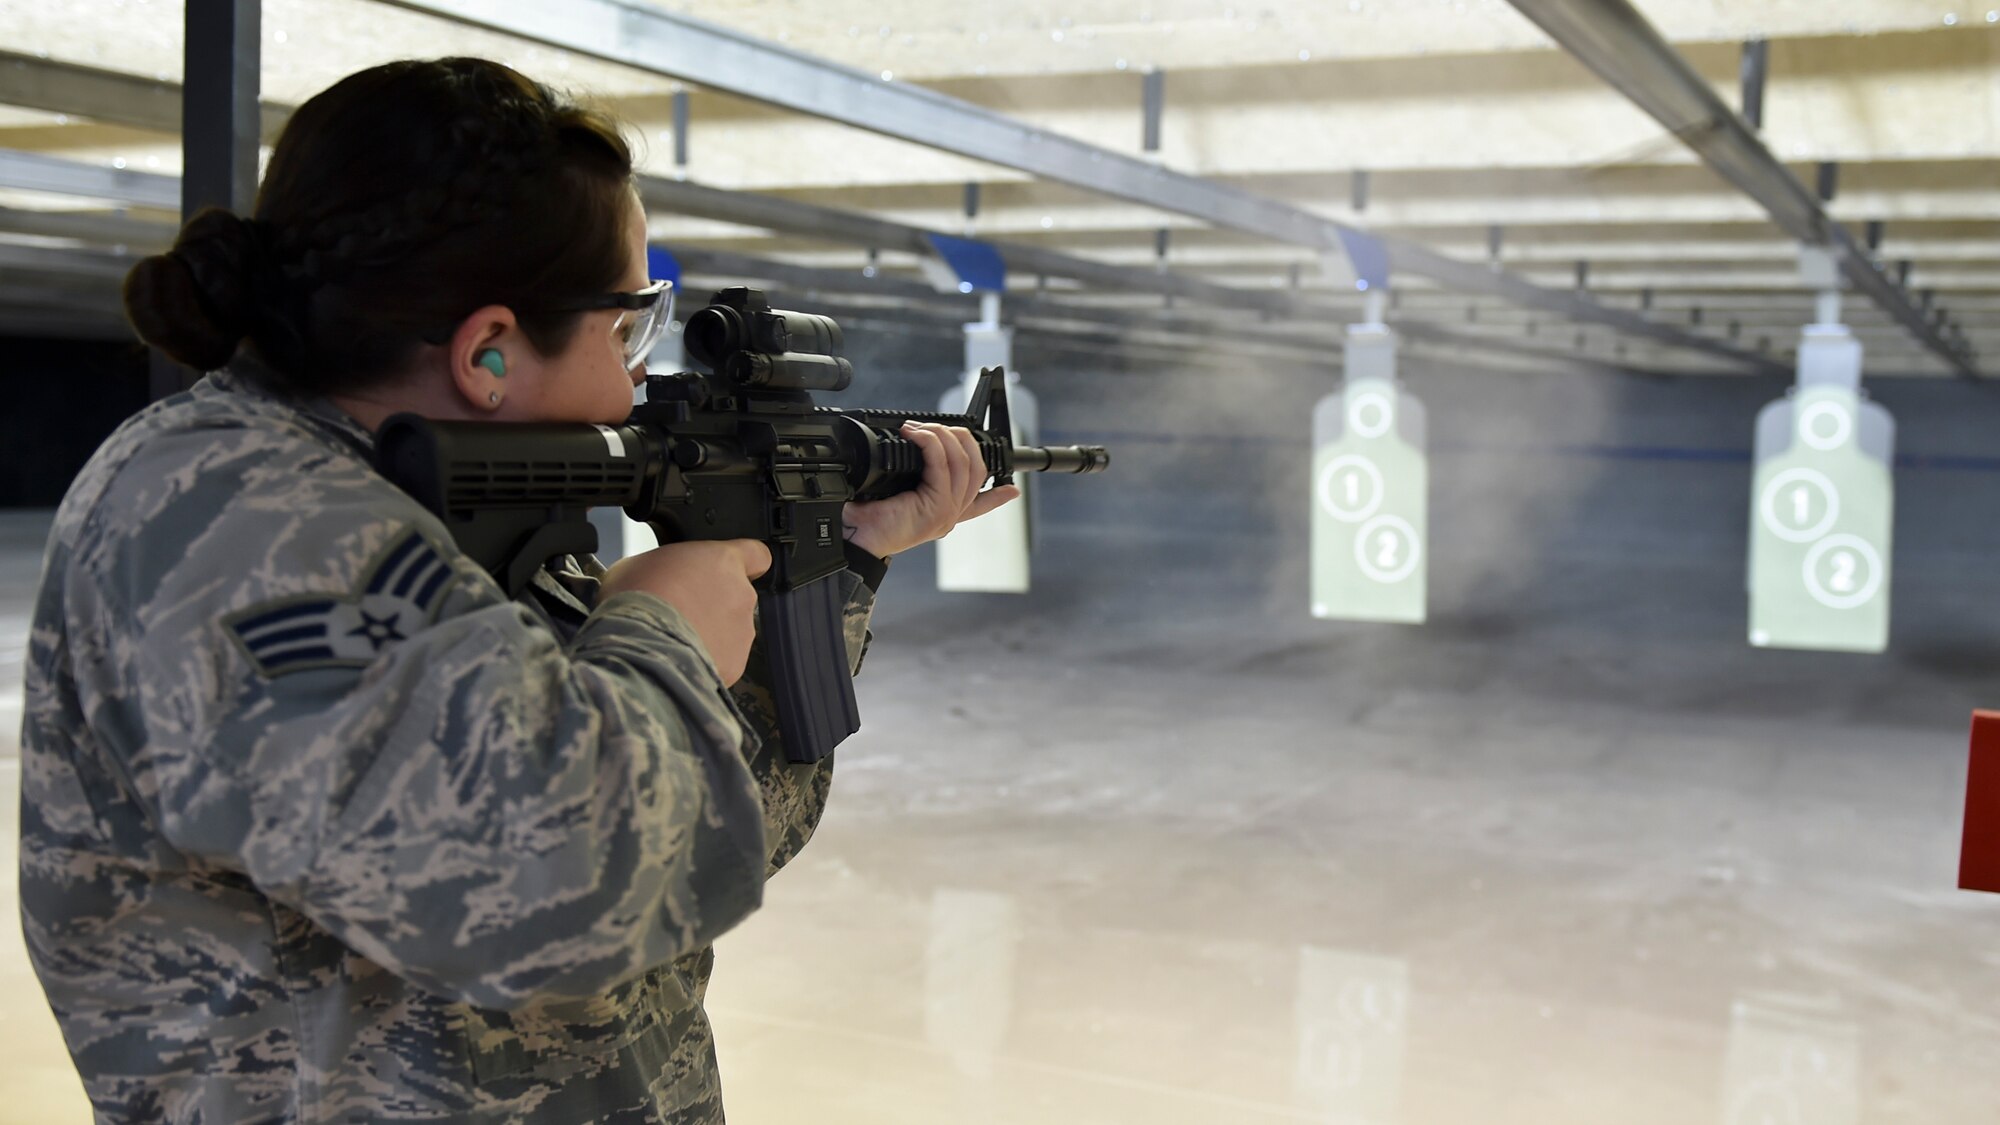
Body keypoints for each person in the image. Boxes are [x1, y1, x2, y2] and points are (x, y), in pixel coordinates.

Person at [18, 57, 1016, 1123]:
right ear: (488, 351)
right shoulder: (235, 515)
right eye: (625, 324)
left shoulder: (461, 506)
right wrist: (661, 629)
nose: (639, 373)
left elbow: (694, 844)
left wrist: (838, 560)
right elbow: (555, 896)